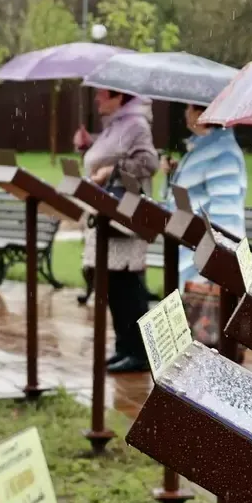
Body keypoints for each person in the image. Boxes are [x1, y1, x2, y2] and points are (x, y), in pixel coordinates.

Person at [75, 88, 159, 373]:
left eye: (102, 95)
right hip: (107, 219)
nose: (97, 100)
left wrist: (110, 171)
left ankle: (139, 353)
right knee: (112, 286)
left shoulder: (136, 124)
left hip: (127, 220)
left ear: (119, 98)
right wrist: (87, 148)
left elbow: (149, 162)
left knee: (129, 288)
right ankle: (124, 347)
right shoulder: (114, 126)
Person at [168, 102, 247, 289]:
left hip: (208, 261)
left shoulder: (222, 152)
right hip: (193, 250)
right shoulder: (201, 147)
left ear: (203, 113)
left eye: (190, 108)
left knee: (205, 315)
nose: (186, 113)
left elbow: (225, 213)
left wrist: (217, 264)